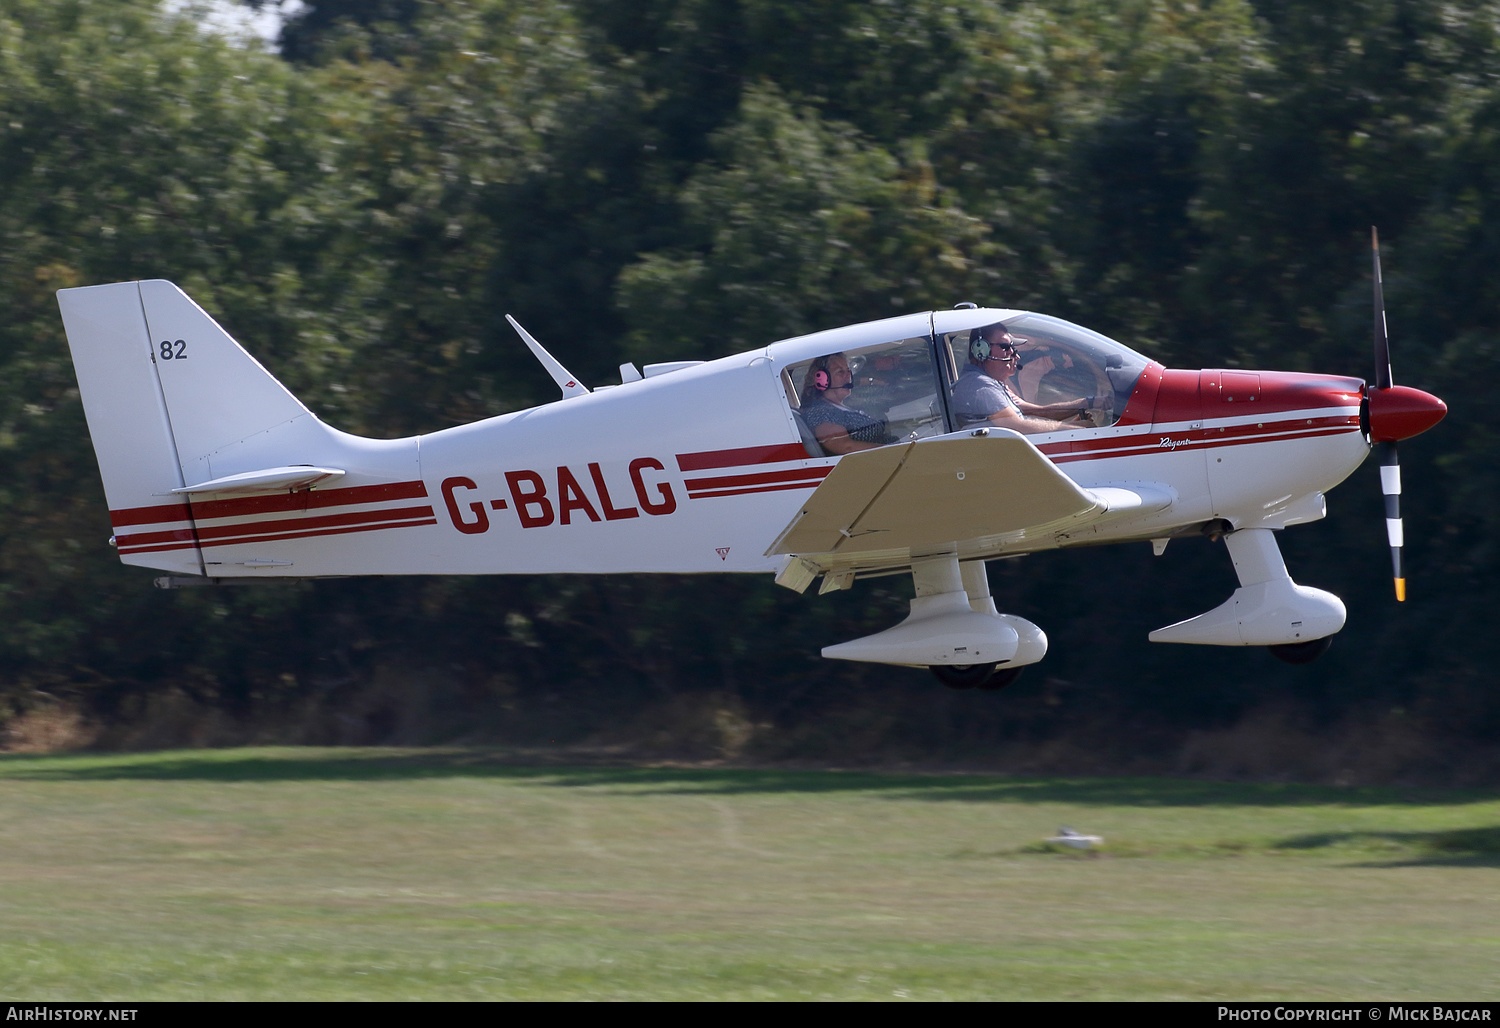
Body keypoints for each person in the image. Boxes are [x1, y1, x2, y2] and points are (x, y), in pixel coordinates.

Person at [950, 324, 1099, 434]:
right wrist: (1076, 429)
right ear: (980, 350)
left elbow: (1035, 414)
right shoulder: (980, 385)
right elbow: (1017, 427)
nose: (1015, 355)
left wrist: (1074, 421)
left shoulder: (990, 384)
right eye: (1005, 347)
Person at [799, 352, 889, 455]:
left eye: (848, 370)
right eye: (840, 372)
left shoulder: (838, 407)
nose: (848, 376)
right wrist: (893, 451)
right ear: (822, 379)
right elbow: (846, 447)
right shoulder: (821, 411)